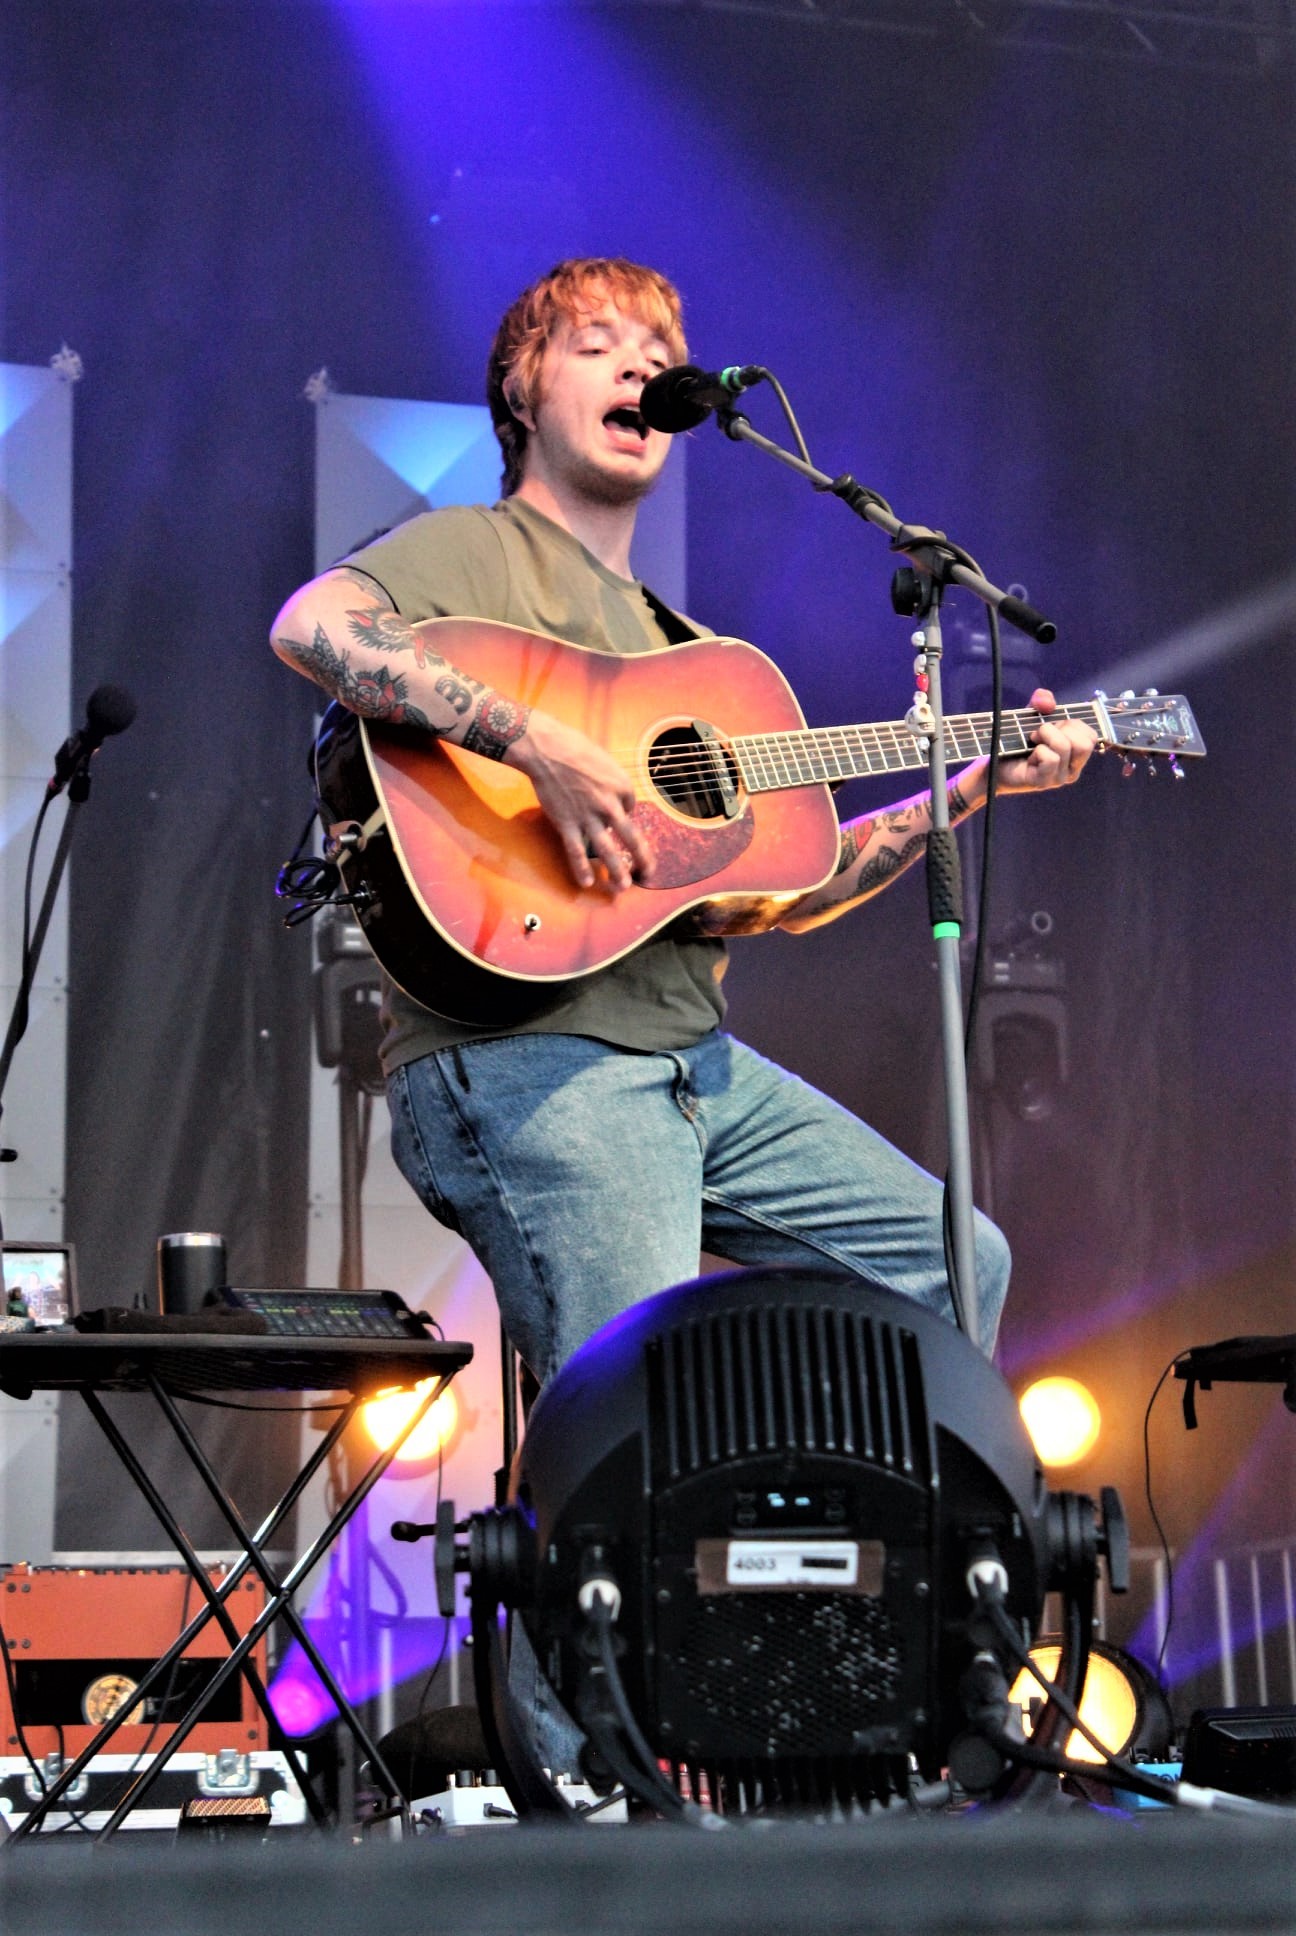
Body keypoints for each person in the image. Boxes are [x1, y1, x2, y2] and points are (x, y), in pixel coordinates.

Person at [271, 256, 1095, 1387]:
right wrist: (535, 745)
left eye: (660, 355)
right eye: (602, 344)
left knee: (954, 1263)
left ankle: (820, 1535)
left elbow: (798, 881)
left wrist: (968, 792)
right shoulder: (477, 551)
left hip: (689, 1064)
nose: (646, 368)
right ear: (522, 386)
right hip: (533, 1055)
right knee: (629, 1407)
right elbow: (317, 627)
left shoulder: (689, 655)